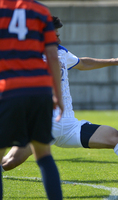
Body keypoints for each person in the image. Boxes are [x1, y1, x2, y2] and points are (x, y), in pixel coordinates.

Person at [1, 16, 118, 185]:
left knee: (115, 136)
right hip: (42, 125)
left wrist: (115, 60)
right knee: (8, 163)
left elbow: (82, 63)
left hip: (69, 125)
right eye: (54, 35)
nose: (58, 39)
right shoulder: (26, 56)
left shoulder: (60, 52)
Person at [0, 1, 64, 200]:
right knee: (44, 155)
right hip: (40, 90)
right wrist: (58, 95)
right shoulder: (41, 11)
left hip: (8, 90)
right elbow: (53, 55)